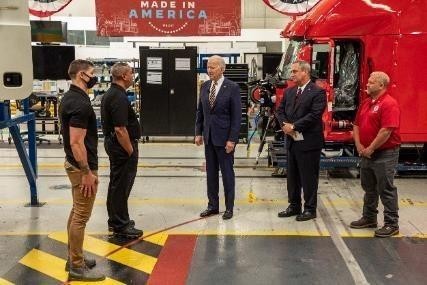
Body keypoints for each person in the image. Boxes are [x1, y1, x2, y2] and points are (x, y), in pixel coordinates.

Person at [59, 59, 105, 281]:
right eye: (91, 73)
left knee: (76, 211)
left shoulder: (69, 97)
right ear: (81, 76)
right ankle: (76, 266)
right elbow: (77, 142)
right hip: (81, 167)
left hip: (74, 163)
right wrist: (87, 172)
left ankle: (73, 256)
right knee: (81, 217)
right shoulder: (80, 103)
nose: (94, 77)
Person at [350, 71, 401, 237]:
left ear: (381, 85)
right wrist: (359, 145)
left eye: (371, 82)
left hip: (384, 153)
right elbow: (356, 125)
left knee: (385, 188)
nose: (367, 84)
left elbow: (386, 130)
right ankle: (369, 217)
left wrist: (370, 148)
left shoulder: (389, 103)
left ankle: (391, 223)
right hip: (366, 152)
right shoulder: (366, 103)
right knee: (369, 187)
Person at [276, 60, 326, 221]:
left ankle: (310, 209)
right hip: (291, 140)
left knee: (309, 177)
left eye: (295, 71)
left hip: (309, 142)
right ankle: (294, 205)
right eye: (292, 72)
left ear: (305, 72)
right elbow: (280, 110)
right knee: (293, 176)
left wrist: (294, 126)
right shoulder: (290, 92)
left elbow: (314, 115)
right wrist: (285, 126)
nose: (292, 74)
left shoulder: (318, 92)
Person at [195, 55, 241, 220]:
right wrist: (198, 132)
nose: (209, 70)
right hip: (209, 137)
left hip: (225, 139)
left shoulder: (232, 88)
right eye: (208, 67)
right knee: (211, 174)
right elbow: (201, 111)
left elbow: (237, 117)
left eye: (213, 67)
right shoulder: (205, 86)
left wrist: (232, 139)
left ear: (222, 69)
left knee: (227, 174)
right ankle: (213, 206)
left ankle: (229, 208)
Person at [101, 62, 143, 238]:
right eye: (131, 73)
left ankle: (116, 220)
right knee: (121, 186)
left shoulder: (111, 94)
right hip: (121, 147)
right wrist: (130, 150)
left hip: (114, 145)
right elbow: (120, 129)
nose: (133, 76)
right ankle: (121, 225)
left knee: (116, 184)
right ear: (124, 76)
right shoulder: (118, 97)